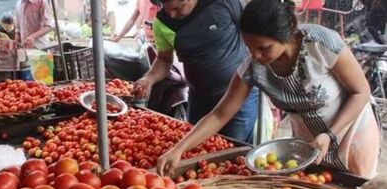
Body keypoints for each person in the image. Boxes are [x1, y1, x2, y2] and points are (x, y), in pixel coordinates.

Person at [157, 0, 381, 178]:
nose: (255, 56)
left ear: (289, 32)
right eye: (249, 47)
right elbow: (219, 114)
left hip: (350, 132)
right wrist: (179, 148)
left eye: (264, 48)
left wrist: (330, 135)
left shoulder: (321, 43)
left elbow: (360, 92)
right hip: (309, 139)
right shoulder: (254, 67)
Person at [134, 0, 259, 144]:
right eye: (167, 10)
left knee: (234, 148)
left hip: (239, 97)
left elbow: (253, 34)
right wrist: (148, 79)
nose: (172, 15)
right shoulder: (162, 22)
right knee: (196, 148)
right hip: (199, 99)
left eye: (176, 8)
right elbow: (164, 60)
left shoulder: (225, 3)